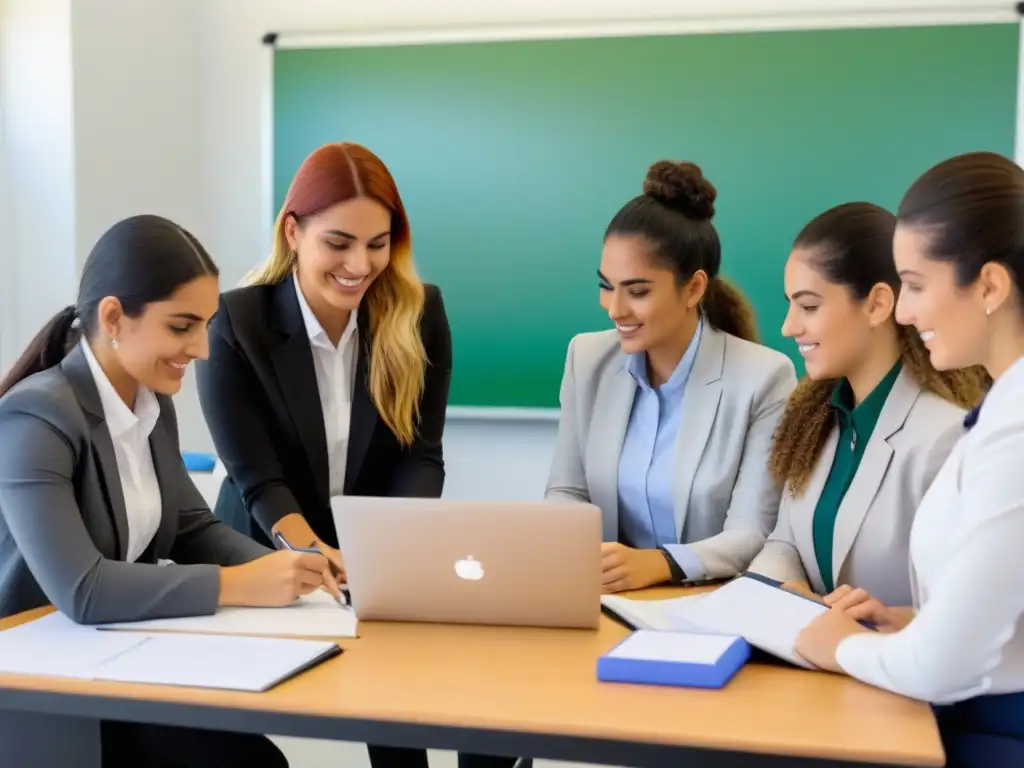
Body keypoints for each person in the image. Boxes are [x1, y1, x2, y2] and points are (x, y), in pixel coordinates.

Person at [195, 142, 519, 768]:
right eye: (338, 243)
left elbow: (421, 456)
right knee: (232, 742)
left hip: (374, 558)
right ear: (293, 231)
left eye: (378, 243)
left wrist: (390, 549)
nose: (360, 264)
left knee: (404, 715)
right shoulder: (236, 322)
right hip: (265, 550)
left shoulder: (419, 313)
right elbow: (257, 478)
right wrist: (315, 554)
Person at [0, 215, 330, 767]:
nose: (201, 348)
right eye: (182, 327)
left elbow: (196, 529)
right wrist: (238, 584)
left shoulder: (151, 404)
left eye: (205, 325)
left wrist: (305, 572)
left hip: (117, 662)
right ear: (113, 318)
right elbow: (83, 590)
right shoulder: (36, 417)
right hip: (40, 692)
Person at [795, 151, 1024, 766]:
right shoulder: (1001, 409)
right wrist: (908, 619)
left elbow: (945, 668)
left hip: (992, 728)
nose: (903, 311)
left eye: (917, 286)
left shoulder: (1015, 427)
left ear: (991, 286)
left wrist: (839, 646)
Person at [545, 160, 797, 592]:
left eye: (638, 291)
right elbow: (566, 491)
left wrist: (661, 564)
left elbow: (752, 532)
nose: (614, 309)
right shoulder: (586, 358)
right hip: (607, 599)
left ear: (694, 288)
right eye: (606, 285)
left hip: (712, 601)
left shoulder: (764, 378)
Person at [748, 202, 987, 606]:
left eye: (808, 306)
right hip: (809, 656)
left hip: (883, 663)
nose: (788, 327)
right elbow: (784, 541)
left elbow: (970, 607)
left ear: (877, 304)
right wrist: (792, 597)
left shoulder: (944, 439)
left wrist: (883, 622)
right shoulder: (816, 419)